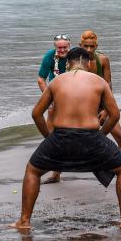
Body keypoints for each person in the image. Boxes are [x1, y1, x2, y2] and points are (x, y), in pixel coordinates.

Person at [10, 47, 121, 230]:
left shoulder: (56, 82)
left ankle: (24, 221)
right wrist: (101, 136)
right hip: (91, 137)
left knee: (33, 171)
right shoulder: (99, 82)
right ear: (88, 63)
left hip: (60, 137)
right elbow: (115, 115)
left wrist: (49, 138)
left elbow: (36, 114)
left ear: (68, 64)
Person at [80, 30, 121, 181]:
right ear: (80, 45)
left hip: (102, 105)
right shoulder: (75, 61)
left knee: (120, 137)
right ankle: (56, 173)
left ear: (96, 45)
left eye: (92, 46)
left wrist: (106, 109)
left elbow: (108, 86)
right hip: (83, 107)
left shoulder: (102, 60)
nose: (89, 50)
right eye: (85, 46)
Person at [35, 34, 71, 183]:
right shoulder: (50, 56)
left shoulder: (74, 55)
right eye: (59, 47)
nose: (62, 50)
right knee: (52, 135)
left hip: (73, 95)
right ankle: (56, 172)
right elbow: (40, 79)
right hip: (55, 95)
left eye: (65, 47)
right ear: (55, 47)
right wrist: (49, 97)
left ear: (69, 46)